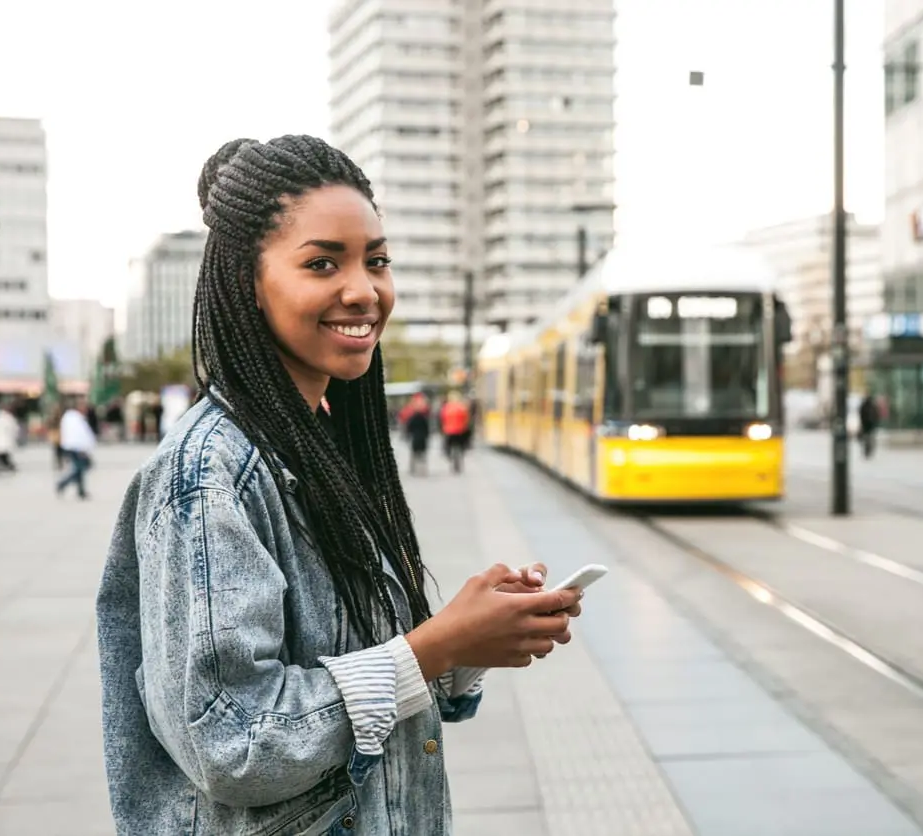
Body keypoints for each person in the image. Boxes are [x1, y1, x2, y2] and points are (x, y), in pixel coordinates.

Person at [95, 136, 585, 836]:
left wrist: (465, 644)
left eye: (376, 260)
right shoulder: (209, 475)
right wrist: (435, 646)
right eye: (323, 263)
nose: (364, 289)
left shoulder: (325, 440)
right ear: (247, 284)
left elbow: (362, 671)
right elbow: (232, 743)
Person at [57, 397, 97, 499]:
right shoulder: (73, 418)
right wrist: (83, 448)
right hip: (76, 447)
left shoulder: (75, 417)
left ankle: (81, 491)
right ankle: (63, 483)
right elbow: (78, 435)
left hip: (74, 446)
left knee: (80, 469)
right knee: (80, 468)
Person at [439, 390, 471, 473]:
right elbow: (466, 419)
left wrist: (443, 428)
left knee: (447, 445)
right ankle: (464, 450)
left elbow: (442, 419)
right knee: (462, 444)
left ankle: (448, 454)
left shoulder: (446, 407)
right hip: (460, 430)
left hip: (449, 431)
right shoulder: (462, 407)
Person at [403, 391, 432, 475]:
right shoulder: (424, 418)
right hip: (422, 438)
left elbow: (409, 427)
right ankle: (424, 469)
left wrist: (407, 434)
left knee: (414, 453)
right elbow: (427, 428)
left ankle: (412, 468)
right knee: (422, 454)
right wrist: (427, 435)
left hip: (415, 438)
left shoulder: (412, 417)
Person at [857, 391, 879, 459]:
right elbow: (876, 414)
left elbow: (861, 414)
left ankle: (867, 450)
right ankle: (868, 450)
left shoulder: (865, 405)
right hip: (869, 424)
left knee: (867, 438)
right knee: (869, 438)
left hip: (867, 424)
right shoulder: (872, 405)